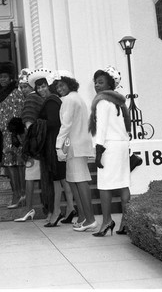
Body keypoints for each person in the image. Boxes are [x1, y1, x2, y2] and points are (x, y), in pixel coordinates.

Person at [28, 68, 75, 227]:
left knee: (57, 180)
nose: (41, 89)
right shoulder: (56, 100)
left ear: (50, 86)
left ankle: (56, 213)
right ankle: (69, 209)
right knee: (63, 179)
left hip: (54, 145)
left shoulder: (51, 101)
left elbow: (54, 123)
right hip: (59, 144)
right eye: (38, 87)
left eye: (43, 86)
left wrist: (37, 125)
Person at [88, 66, 131, 237]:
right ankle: (126, 223)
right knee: (123, 184)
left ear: (110, 84)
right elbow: (126, 129)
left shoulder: (102, 101)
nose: (97, 86)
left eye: (101, 82)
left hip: (109, 147)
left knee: (104, 186)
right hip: (121, 146)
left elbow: (102, 127)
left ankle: (107, 221)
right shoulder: (119, 102)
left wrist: (98, 151)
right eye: (95, 82)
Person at [53, 70, 98, 232]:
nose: (59, 88)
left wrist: (58, 146)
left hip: (75, 146)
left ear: (70, 83)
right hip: (78, 145)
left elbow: (66, 125)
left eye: (62, 85)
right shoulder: (76, 98)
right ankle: (83, 217)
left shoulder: (70, 100)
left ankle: (90, 219)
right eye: (57, 86)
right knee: (73, 181)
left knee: (79, 181)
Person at [0, 62, 25, 208]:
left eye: (5, 77)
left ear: (11, 78)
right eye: (0, 77)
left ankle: (21, 195)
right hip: (6, 136)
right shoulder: (1, 94)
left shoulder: (16, 92)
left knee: (17, 164)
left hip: (15, 136)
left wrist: (15, 134)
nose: (2, 79)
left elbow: (19, 114)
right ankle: (17, 194)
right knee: (11, 165)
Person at [14, 68, 42, 222]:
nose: (23, 89)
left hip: (33, 145)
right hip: (40, 143)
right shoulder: (38, 98)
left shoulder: (31, 99)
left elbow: (29, 124)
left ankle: (29, 209)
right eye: (21, 86)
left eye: (25, 86)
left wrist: (28, 144)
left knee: (29, 176)